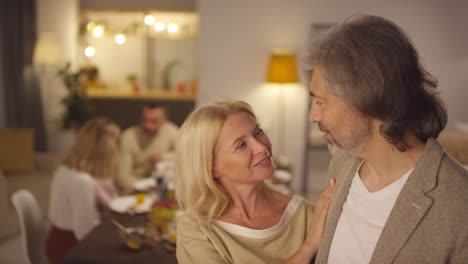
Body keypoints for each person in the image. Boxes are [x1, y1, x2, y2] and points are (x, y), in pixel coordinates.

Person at [300, 14, 468, 263]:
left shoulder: (459, 203)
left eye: (321, 102)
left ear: (366, 99)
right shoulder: (342, 164)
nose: (313, 116)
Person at [175, 100, 336, 264]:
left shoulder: (308, 215)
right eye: (242, 145)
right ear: (211, 167)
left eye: (258, 132)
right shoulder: (197, 229)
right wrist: (308, 248)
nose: (261, 147)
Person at [46, 117, 120, 264]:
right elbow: (84, 232)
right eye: (115, 142)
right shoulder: (83, 182)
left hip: (55, 238)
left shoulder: (65, 169)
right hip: (69, 249)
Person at [117, 103, 179, 194]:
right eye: (144, 120)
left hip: (163, 189)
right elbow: (122, 177)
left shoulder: (172, 131)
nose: (147, 125)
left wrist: (163, 157)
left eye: (154, 121)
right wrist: (147, 188)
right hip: (133, 191)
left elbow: (186, 156)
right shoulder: (128, 136)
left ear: (166, 121)